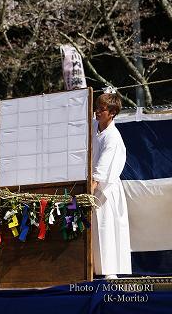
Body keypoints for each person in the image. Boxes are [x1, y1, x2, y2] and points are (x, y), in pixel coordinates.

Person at [91, 92, 132, 279]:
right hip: (91, 187)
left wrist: (84, 196)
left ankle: (110, 274)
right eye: (97, 108)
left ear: (112, 112)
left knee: (107, 228)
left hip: (105, 191)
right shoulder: (93, 127)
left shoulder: (113, 138)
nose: (97, 112)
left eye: (102, 109)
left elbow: (100, 173)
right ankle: (89, 269)